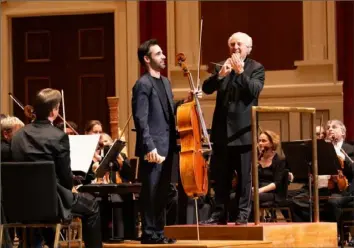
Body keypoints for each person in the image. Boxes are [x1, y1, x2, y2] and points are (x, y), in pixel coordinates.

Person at [11, 88, 102, 248]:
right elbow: (65, 178)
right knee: (92, 205)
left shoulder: (18, 136)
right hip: (52, 203)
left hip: (21, 204)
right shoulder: (58, 136)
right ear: (54, 111)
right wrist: (72, 183)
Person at [132, 38, 193, 244]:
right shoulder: (142, 84)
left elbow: (168, 111)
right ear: (147, 59)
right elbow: (141, 118)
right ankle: (148, 233)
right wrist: (148, 146)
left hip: (168, 145)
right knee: (151, 190)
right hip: (153, 147)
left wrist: (184, 101)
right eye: (158, 54)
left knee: (163, 191)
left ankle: (159, 231)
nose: (164, 56)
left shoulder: (165, 82)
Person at [201, 32, 265, 225]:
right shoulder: (222, 65)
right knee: (221, 177)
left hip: (243, 131)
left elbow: (255, 90)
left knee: (244, 178)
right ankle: (219, 214)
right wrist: (220, 75)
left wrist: (240, 72)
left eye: (239, 45)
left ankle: (242, 215)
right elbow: (206, 88)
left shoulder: (256, 68)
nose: (235, 48)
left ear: (248, 48)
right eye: (232, 44)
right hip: (222, 132)